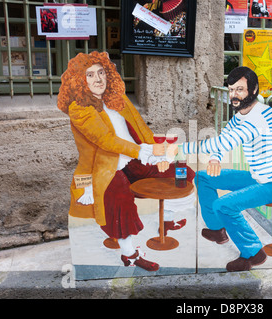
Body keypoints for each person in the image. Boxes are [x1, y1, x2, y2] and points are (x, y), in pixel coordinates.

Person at [57, 51, 195, 271]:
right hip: (102, 168)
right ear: (79, 81)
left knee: (180, 173)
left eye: (101, 72)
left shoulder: (117, 100)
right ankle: (129, 254)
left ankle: (166, 220)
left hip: (133, 160)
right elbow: (106, 141)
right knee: (119, 195)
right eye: (90, 75)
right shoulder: (79, 109)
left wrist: (158, 154)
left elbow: (141, 128)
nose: (98, 79)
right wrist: (143, 152)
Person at [176, 66, 272, 272]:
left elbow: (217, 143)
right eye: (231, 89)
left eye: (240, 89)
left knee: (225, 205)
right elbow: (225, 140)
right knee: (204, 178)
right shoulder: (242, 114)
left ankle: (254, 253)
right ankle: (217, 230)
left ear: (254, 90)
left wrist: (178, 148)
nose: (234, 95)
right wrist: (215, 159)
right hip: (259, 176)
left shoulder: (258, 118)